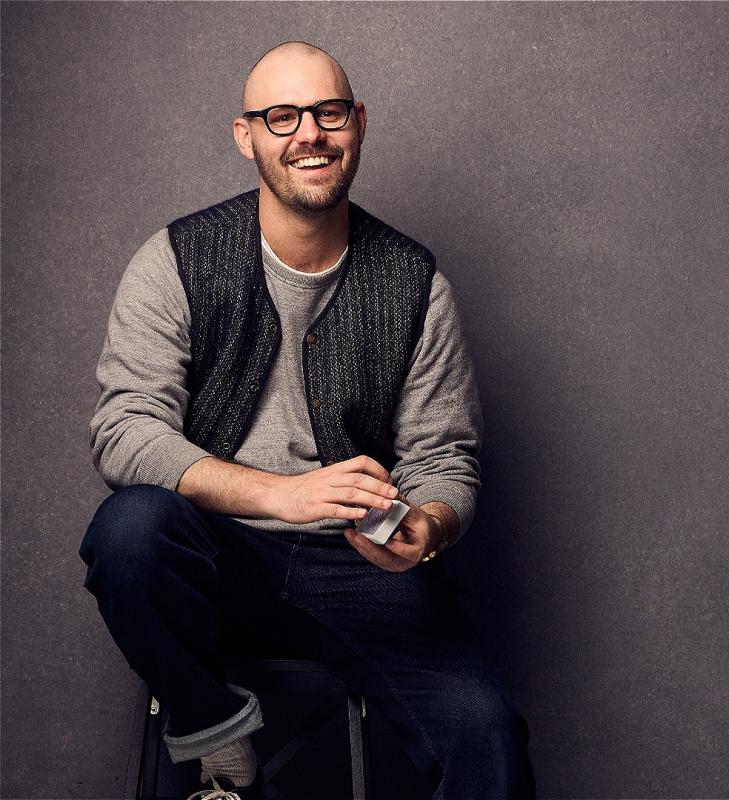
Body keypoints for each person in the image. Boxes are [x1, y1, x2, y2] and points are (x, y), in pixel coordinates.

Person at [79, 41, 537, 800]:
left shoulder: (416, 283)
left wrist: (428, 524)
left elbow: (445, 456)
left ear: (356, 123)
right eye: (281, 116)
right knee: (129, 532)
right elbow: (124, 430)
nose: (308, 135)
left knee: (485, 734)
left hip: (359, 567)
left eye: (327, 112)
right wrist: (278, 495)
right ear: (245, 134)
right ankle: (217, 732)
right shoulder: (174, 261)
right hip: (214, 559)